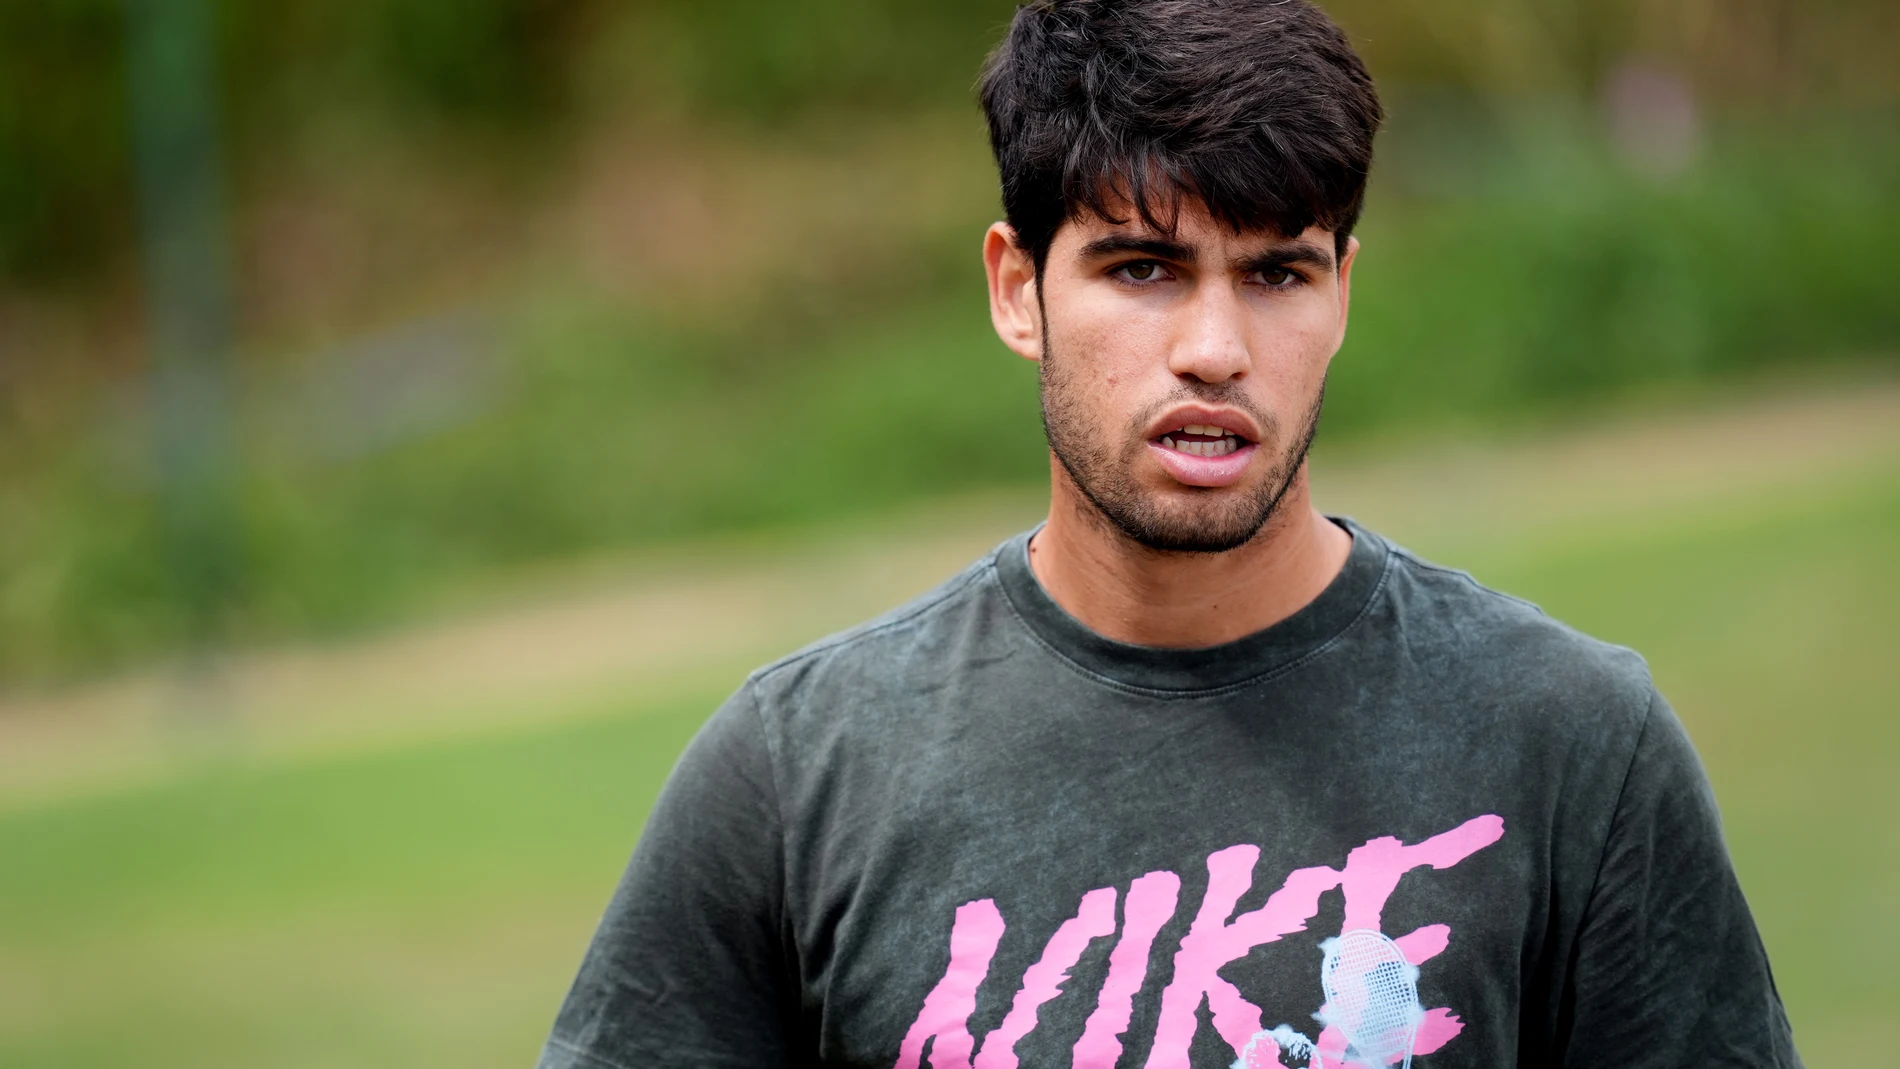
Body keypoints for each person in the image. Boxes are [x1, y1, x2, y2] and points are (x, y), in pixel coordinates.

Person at [536, 2, 1801, 1066]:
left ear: (1342, 293)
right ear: (1016, 289)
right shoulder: (797, 774)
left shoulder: (1572, 740)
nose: (1213, 349)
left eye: (1276, 273)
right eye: (1141, 268)